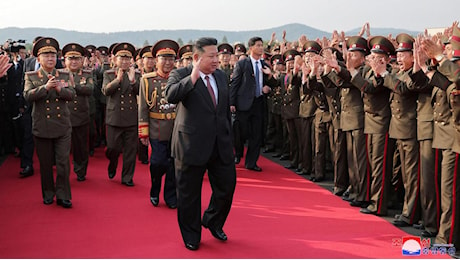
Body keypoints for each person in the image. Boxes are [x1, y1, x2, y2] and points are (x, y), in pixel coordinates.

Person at [165, 37, 236, 251]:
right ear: (197, 58)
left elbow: (223, 110)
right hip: (190, 145)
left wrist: (229, 138)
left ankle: (213, 220)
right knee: (189, 195)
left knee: (226, 187)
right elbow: (171, 95)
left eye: (217, 55)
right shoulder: (181, 74)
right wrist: (194, 76)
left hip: (220, 143)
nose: (217, 60)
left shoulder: (222, 76)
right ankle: (191, 235)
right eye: (211, 56)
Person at [23, 37, 75, 208]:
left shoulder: (65, 75)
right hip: (42, 125)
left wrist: (60, 89)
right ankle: (48, 193)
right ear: (39, 59)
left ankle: (63, 195)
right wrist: (44, 88)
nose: (50, 59)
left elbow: (72, 95)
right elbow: (28, 96)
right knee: (45, 164)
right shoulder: (31, 76)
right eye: (46, 56)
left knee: (62, 163)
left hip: (62, 126)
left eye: (53, 55)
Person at [138, 39, 179, 208]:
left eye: (171, 59)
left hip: (176, 129)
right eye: (164, 58)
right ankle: (155, 189)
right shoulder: (147, 80)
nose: (168, 62)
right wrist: (143, 132)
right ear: (156, 60)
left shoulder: (179, 78)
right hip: (157, 128)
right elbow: (142, 108)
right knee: (157, 162)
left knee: (174, 165)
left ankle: (170, 196)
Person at [230, 36, 277, 171]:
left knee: (256, 134)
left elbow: (274, 84)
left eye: (262, 45)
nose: (261, 48)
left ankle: (251, 163)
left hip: (259, 102)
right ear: (251, 48)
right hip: (243, 103)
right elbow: (235, 83)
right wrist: (232, 102)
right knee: (240, 132)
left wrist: (269, 77)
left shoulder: (265, 65)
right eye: (258, 45)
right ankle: (238, 153)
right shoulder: (243, 64)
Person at [102, 42, 141, 186]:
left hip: (131, 117)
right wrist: (117, 80)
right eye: (121, 58)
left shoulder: (136, 74)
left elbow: (141, 92)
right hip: (114, 118)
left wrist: (132, 81)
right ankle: (112, 163)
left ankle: (127, 177)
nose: (124, 61)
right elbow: (106, 91)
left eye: (127, 59)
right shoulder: (109, 74)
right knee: (113, 148)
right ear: (115, 59)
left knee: (130, 151)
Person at [61, 43, 94, 181]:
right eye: (70, 59)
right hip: (63, 117)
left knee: (81, 147)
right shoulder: (59, 74)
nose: (73, 62)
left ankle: (81, 170)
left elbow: (90, 89)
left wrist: (74, 86)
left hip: (81, 116)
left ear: (81, 61)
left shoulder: (86, 74)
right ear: (65, 61)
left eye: (76, 59)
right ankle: (63, 172)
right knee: (62, 149)